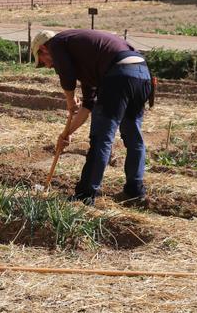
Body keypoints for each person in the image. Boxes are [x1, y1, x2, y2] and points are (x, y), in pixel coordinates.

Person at [29, 28, 154, 204]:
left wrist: (70, 99)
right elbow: (88, 106)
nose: (48, 66)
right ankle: (135, 191)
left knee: (101, 138)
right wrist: (67, 134)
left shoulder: (57, 42)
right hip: (142, 74)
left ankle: (85, 195)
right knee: (133, 136)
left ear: (43, 49)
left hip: (118, 75)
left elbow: (67, 75)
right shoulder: (89, 61)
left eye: (43, 62)